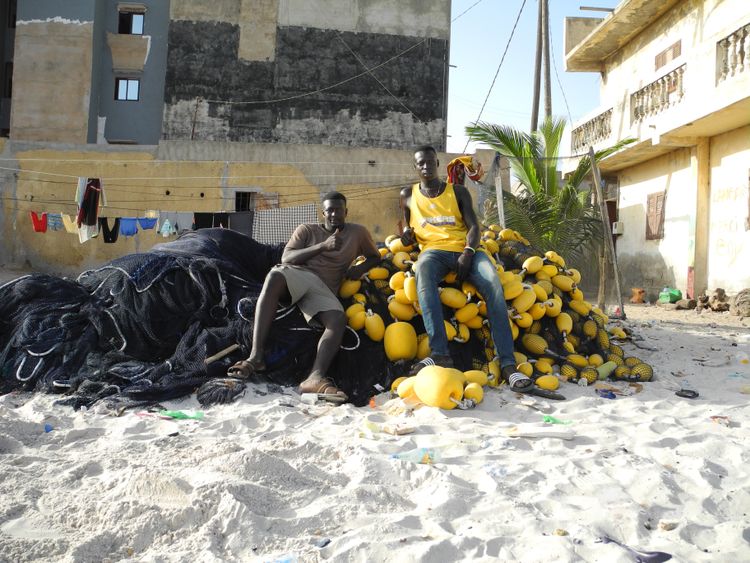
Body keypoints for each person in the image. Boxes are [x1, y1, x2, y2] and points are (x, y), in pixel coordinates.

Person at [399, 146, 534, 392]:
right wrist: (406, 237)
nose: (426, 167)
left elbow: (474, 227)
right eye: (421, 163)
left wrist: (468, 252)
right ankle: (439, 352)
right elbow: (406, 231)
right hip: (433, 251)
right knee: (423, 274)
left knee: (493, 284)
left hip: (466, 249)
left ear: (437, 164)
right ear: (415, 167)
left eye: (430, 162)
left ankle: (507, 364)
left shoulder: (458, 192)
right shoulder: (408, 194)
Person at [228, 191, 381, 402]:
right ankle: (256, 356)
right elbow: (286, 257)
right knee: (275, 274)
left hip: (324, 289)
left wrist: (359, 268)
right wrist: (322, 246)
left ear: (346, 212)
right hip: (299, 276)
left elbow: (375, 256)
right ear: (323, 212)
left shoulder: (358, 233)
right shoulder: (307, 230)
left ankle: (314, 378)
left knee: (338, 319)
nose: (334, 214)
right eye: (329, 210)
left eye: (338, 210)